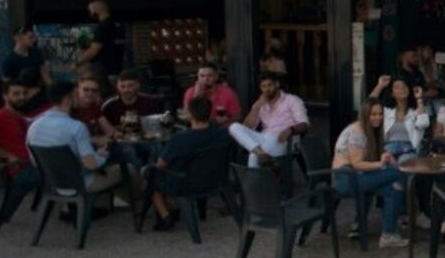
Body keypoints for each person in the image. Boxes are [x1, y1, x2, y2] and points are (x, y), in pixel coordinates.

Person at [331, 97, 408, 248]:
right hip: (345, 179)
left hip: (355, 176)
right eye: (373, 114)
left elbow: (370, 157)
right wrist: (382, 164)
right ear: (365, 115)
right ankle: (402, 218)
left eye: (380, 114)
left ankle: (387, 235)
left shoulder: (370, 129)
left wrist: (386, 156)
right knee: (399, 174)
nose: (378, 117)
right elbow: (357, 164)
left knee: (393, 187)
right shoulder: (357, 132)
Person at [147, 96, 232, 232]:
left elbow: (160, 166)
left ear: (190, 115)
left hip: (187, 184)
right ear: (210, 113)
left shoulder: (179, 139)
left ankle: (165, 216)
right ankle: (173, 207)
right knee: (168, 173)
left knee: (152, 177)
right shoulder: (223, 134)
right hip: (216, 180)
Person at [26, 80, 124, 193]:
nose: (80, 98)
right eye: (77, 94)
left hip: (51, 185)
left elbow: (34, 162)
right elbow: (91, 165)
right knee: (126, 169)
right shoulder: (76, 127)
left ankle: (87, 207)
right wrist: (102, 156)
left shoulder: (34, 125)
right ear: (68, 98)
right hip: (80, 184)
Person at [229, 72, 310, 168]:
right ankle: (261, 153)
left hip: (284, 140)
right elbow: (247, 127)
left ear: (277, 84)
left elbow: (304, 124)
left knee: (253, 155)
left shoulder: (292, 100)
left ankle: (255, 181)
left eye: (269, 85)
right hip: (264, 137)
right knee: (234, 127)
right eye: (263, 86)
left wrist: (291, 129)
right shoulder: (260, 103)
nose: (267, 89)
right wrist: (255, 108)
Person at [0, 80, 40, 225]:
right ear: (5, 96)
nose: (21, 97)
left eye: (24, 93)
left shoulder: (24, 116)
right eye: (16, 94)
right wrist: (7, 155)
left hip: (34, 163)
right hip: (21, 168)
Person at [370, 75, 430, 161]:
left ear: (409, 90)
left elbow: (423, 124)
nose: (401, 89)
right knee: (386, 162)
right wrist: (380, 86)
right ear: (392, 94)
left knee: (404, 162)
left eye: (404, 86)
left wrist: (419, 98)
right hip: (389, 148)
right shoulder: (387, 111)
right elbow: (369, 105)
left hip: (408, 150)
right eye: (397, 87)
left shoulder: (417, 111)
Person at [102, 69, 162, 135]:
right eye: (122, 86)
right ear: (117, 87)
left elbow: (157, 125)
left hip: (146, 139)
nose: (126, 90)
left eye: (130, 86)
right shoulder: (109, 105)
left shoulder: (149, 102)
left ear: (138, 85)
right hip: (120, 141)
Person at [77, 0, 124, 77]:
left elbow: (93, 50)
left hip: (105, 72)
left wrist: (77, 62)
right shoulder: (118, 25)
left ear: (96, 10)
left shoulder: (104, 27)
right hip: (117, 70)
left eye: (91, 10)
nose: (90, 13)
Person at [72, 76, 116, 146]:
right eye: (86, 89)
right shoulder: (69, 108)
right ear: (77, 90)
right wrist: (95, 140)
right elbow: (69, 138)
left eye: (94, 90)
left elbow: (110, 132)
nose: (90, 93)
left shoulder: (94, 107)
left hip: (95, 149)